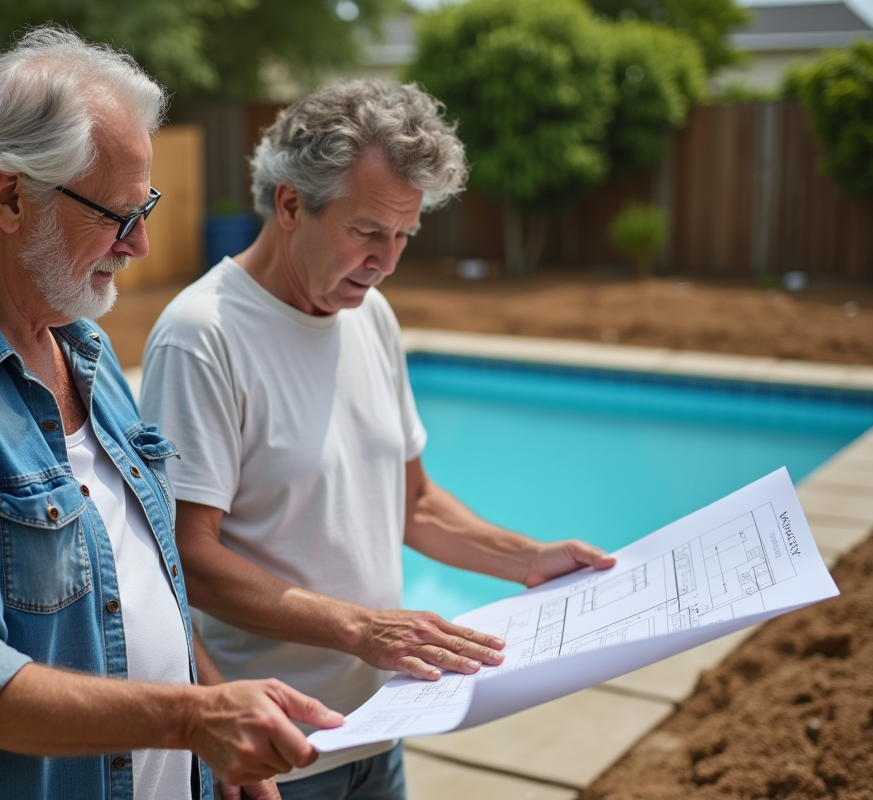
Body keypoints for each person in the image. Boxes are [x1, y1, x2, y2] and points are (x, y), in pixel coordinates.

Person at [0, 28, 340, 800]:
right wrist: (192, 718)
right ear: (10, 196)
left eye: (144, 206)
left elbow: (142, 585)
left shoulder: (83, 352)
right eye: (119, 215)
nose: (142, 243)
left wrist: (214, 746)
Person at [138, 79, 618, 800]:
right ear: (291, 204)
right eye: (367, 232)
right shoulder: (202, 335)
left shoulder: (371, 314)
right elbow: (187, 559)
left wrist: (529, 559)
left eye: (403, 236)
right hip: (278, 750)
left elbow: (412, 504)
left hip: (380, 729)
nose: (387, 261)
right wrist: (362, 629)